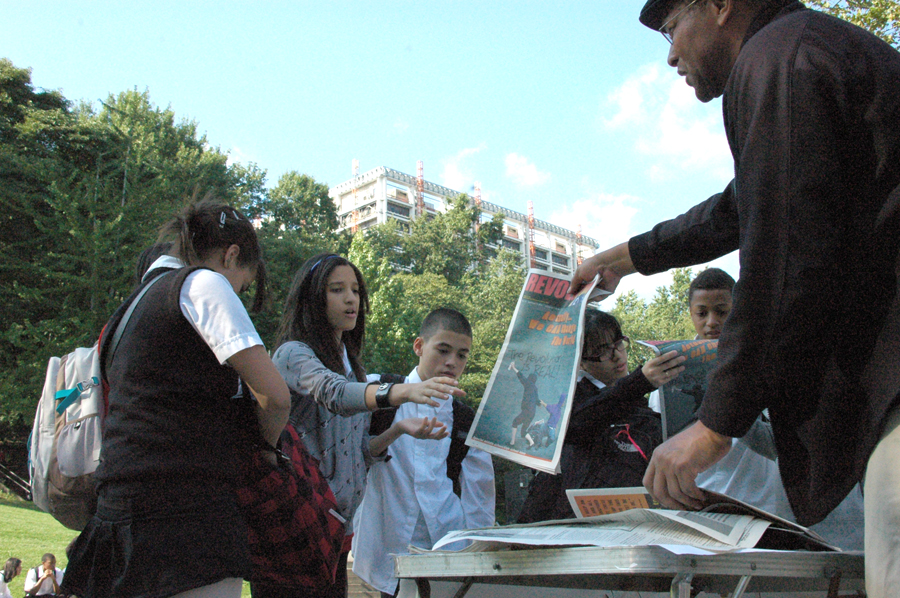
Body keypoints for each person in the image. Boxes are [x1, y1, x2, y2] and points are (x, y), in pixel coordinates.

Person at [570, 1, 900, 593]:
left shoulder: (778, 60)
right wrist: (622, 258)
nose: (670, 55)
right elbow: (742, 203)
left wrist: (714, 427)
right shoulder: (806, 50)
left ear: (720, 6)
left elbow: (786, 258)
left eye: (671, 29)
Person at [60, 196, 291, 598]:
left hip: (119, 517)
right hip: (189, 524)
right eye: (244, 285)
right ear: (231, 255)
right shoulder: (203, 284)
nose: (238, 293)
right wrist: (268, 449)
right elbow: (275, 396)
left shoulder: (128, 310)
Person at [267, 253, 466, 598]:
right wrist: (402, 392)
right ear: (313, 297)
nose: (351, 299)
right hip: (294, 522)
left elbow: (359, 453)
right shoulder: (292, 354)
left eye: (356, 290)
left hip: (335, 529)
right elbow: (333, 392)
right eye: (337, 289)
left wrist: (399, 431)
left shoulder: (352, 367)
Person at [351, 308, 496, 598]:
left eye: (462, 355)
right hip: (386, 543)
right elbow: (351, 454)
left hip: (446, 546)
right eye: (443, 350)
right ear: (419, 346)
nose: (452, 362)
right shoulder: (378, 392)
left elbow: (480, 497)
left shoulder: (468, 421)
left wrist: (477, 555)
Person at [517, 309, 684, 523]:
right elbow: (578, 423)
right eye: (602, 350)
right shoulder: (570, 398)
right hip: (569, 524)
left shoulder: (637, 402)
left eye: (618, 343)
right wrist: (639, 382)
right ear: (581, 362)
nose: (617, 355)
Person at [507, 361, 539, 447]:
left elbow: (521, 376)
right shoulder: (535, 388)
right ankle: (532, 442)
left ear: (530, 378)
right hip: (532, 413)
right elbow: (537, 401)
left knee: (515, 422)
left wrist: (513, 368)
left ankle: (512, 442)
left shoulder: (528, 384)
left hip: (527, 411)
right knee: (523, 432)